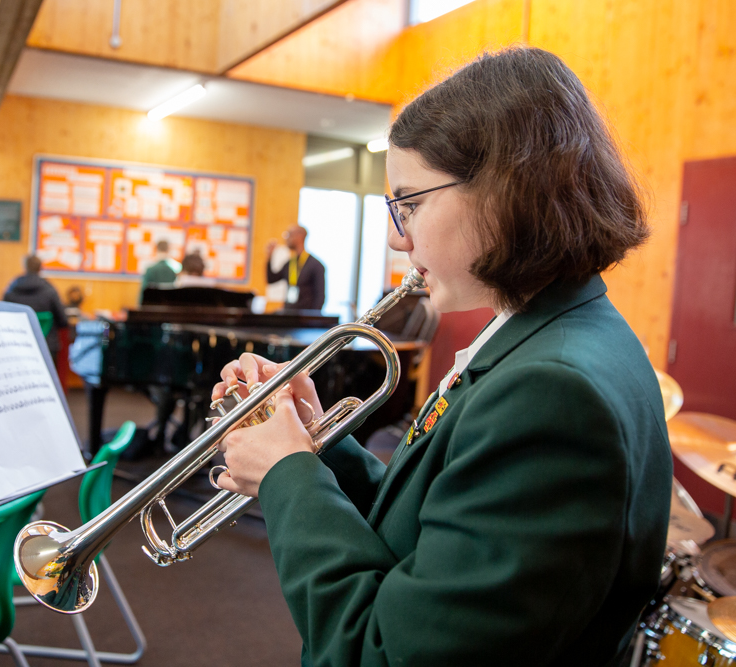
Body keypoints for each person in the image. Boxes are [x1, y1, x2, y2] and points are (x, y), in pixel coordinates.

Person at [210, 47, 671, 666]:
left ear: (506, 188)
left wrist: (285, 475)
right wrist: (315, 442)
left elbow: (382, 653)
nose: (398, 236)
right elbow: (432, 521)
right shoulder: (547, 335)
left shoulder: (552, 392)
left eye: (411, 202)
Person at [2, 254, 68, 357]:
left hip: (18, 345)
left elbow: (3, 318)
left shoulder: (11, 290)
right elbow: (63, 321)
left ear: (25, 267)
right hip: (46, 348)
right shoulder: (50, 290)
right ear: (40, 267)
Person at [266, 225, 326, 311]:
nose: (286, 238)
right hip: (289, 314)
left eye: (289, 234)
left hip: (305, 317)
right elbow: (271, 279)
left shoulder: (316, 265)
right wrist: (270, 257)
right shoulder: (290, 263)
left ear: (299, 236)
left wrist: (312, 320)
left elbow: (320, 297)